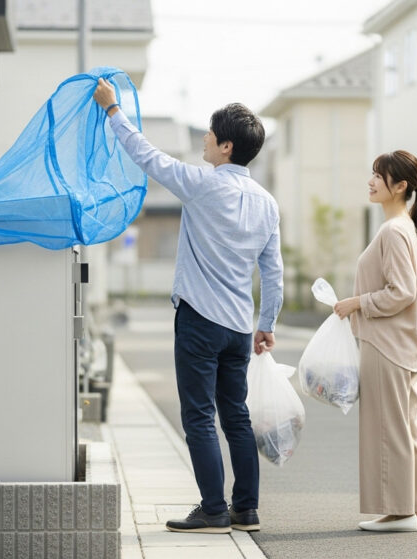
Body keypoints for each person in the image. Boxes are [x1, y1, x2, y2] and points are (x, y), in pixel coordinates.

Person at [93, 79, 283, 534]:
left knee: (199, 415)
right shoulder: (267, 204)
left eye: (210, 134)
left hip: (199, 319)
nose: (204, 139)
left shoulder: (202, 184)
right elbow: (272, 272)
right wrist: (267, 323)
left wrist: (112, 110)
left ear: (226, 146)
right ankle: (246, 509)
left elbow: (147, 157)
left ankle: (213, 509)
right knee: (235, 414)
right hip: (239, 326)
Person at [332, 150, 417, 532]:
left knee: (388, 428)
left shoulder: (392, 230)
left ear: (400, 186)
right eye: (373, 173)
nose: (371, 181)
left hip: (386, 344)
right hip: (402, 344)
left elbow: (401, 291)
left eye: (380, 175)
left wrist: (357, 303)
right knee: (408, 426)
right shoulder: (402, 226)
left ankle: (399, 513)